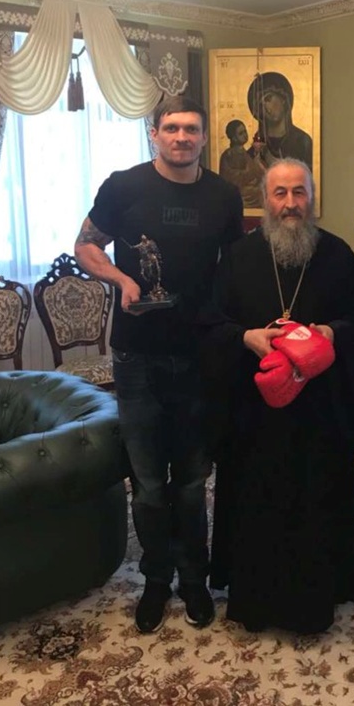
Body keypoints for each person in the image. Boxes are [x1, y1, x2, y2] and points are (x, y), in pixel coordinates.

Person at [74, 94, 243, 635]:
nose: (181, 137)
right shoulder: (123, 186)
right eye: (171, 128)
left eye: (191, 129)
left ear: (204, 136)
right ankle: (155, 578)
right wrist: (121, 279)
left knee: (191, 482)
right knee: (147, 483)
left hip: (200, 357)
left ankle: (194, 579)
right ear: (154, 134)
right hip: (137, 357)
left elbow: (236, 269)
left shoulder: (224, 195)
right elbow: (85, 245)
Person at [204, 158, 354, 634]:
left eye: (300, 192)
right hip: (255, 412)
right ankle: (255, 603)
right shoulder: (238, 258)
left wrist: (330, 333)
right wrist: (247, 337)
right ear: (265, 199)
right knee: (257, 503)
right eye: (280, 193)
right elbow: (213, 324)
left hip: (318, 411)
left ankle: (316, 602)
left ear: (312, 197)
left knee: (316, 503)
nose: (291, 203)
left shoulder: (337, 255)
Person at [246, 71, 313, 168]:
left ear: (283, 98)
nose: (266, 108)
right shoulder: (256, 148)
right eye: (260, 105)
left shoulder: (302, 142)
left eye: (268, 99)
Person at [218, 119, 265, 208]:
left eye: (245, 131)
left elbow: (255, 170)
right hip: (239, 192)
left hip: (249, 189)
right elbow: (231, 177)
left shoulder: (245, 153)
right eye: (240, 133)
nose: (245, 135)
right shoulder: (229, 154)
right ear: (234, 138)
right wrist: (251, 172)